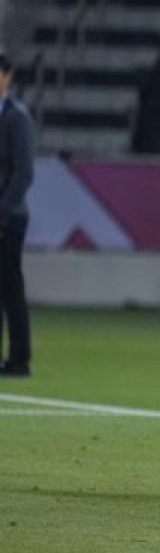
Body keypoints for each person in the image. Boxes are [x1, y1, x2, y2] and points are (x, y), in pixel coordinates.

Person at [0, 54, 33, 377]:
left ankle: (20, 358)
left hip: (9, 218)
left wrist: (2, 214)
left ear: (7, 76)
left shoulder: (17, 118)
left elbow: (23, 173)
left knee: (10, 288)